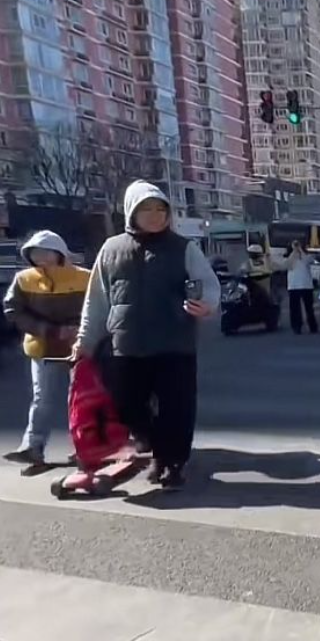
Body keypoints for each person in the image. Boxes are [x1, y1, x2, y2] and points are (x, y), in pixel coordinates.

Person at [75, 180, 220, 490]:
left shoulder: (184, 247)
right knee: (126, 405)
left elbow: (207, 283)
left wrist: (204, 305)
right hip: (125, 345)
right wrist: (85, 342)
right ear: (131, 212)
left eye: (161, 209)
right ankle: (155, 446)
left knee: (177, 408)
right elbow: (97, 300)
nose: (155, 216)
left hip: (174, 344)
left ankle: (173, 462)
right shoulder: (112, 249)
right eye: (147, 209)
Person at [2, 231, 89, 472]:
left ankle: (87, 447)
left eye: (46, 252)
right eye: (34, 253)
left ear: (60, 253)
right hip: (43, 346)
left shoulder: (85, 277)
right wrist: (48, 330)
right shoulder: (23, 279)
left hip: (80, 345)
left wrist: (80, 330)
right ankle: (33, 447)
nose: (40, 258)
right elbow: (13, 311)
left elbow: (99, 307)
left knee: (82, 399)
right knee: (42, 399)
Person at [284, 240, 317, 335]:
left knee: (309, 308)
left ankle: (313, 326)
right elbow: (287, 265)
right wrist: (294, 252)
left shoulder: (306, 257)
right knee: (295, 309)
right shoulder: (288, 258)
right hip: (294, 286)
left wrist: (301, 251)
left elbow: (308, 261)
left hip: (306, 285)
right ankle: (296, 327)